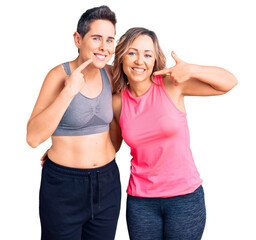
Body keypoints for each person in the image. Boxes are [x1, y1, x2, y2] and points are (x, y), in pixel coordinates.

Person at [110, 27, 238, 240]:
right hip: (141, 201)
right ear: (121, 57)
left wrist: (192, 69)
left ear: (154, 61)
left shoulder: (171, 85)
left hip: (184, 199)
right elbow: (111, 146)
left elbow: (229, 82)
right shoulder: (117, 103)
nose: (140, 60)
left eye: (147, 54)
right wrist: (63, 152)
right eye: (132, 52)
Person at [26, 6, 121, 240]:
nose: (104, 47)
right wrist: (68, 92)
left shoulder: (112, 75)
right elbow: (33, 137)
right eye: (96, 38)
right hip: (63, 187)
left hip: (107, 183)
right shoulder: (58, 75)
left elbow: (123, 121)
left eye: (110, 40)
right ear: (78, 39)